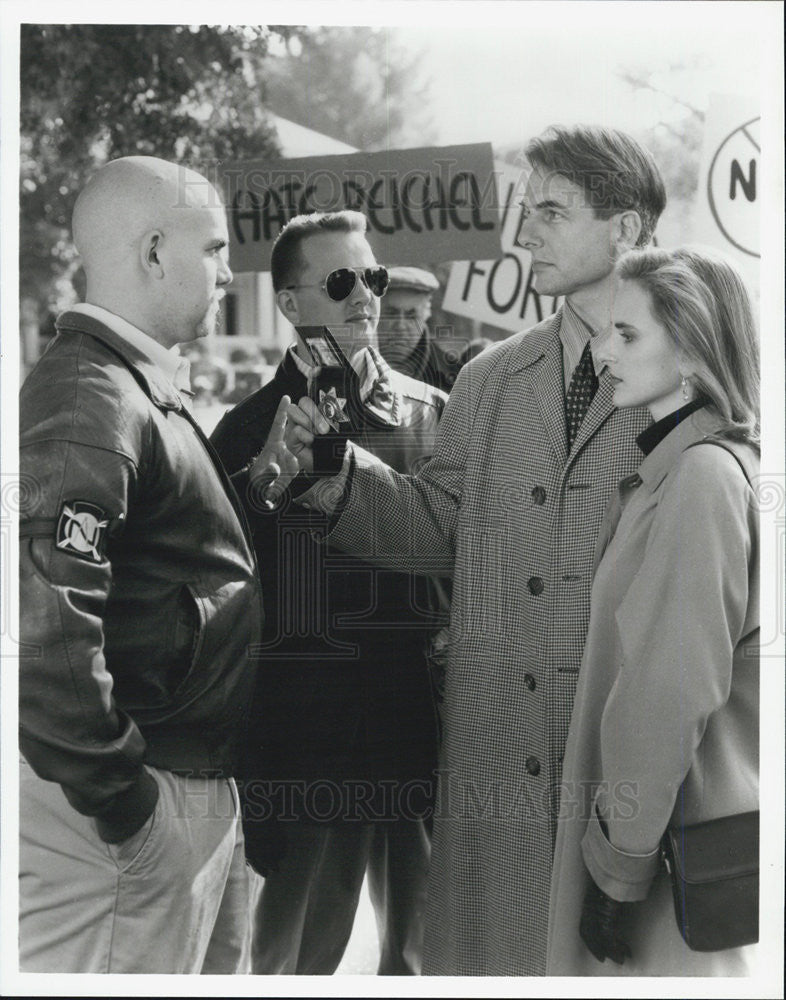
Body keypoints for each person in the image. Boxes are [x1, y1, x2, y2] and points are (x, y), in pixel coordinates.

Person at [281, 125, 668, 974]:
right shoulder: (490, 378)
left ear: (628, 231)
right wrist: (333, 469)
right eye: (527, 210)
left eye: (552, 212)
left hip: (618, 781)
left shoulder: (687, 381)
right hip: (493, 767)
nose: (524, 233)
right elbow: (441, 525)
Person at [18, 155, 292, 974]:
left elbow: (146, 551)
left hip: (176, 789)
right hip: (131, 810)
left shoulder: (129, 383)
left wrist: (251, 490)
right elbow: (44, 620)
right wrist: (122, 797)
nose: (228, 271)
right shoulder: (90, 394)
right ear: (151, 251)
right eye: (214, 248)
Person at [209, 210, 447, 975]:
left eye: (372, 277)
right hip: (308, 739)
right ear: (289, 302)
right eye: (341, 281)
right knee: (294, 961)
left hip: (416, 722)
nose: (366, 297)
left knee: (420, 955)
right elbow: (226, 585)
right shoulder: (246, 429)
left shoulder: (431, 414)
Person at [547, 246, 760, 976]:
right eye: (606, 331)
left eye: (627, 335)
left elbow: (668, 694)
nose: (603, 352)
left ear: (696, 349)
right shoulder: (700, 468)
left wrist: (619, 868)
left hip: (668, 862)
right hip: (675, 837)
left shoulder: (701, 477)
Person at [376, 265, 463, 391]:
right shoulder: (354, 367)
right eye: (391, 314)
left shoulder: (454, 379)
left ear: (426, 315)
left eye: (411, 316)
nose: (400, 326)